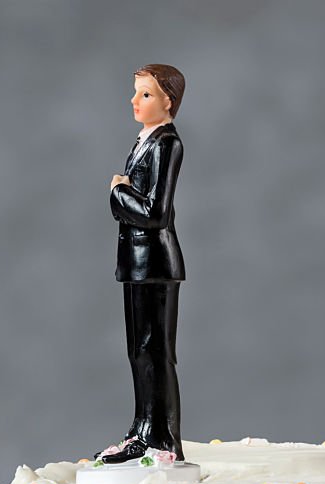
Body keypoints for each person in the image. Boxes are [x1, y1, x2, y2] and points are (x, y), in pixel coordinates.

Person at [98, 64, 186, 463]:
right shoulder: (144, 140)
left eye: (146, 94)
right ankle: (142, 429)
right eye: (136, 93)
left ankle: (163, 440)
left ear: (167, 101)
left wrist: (118, 193)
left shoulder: (167, 143)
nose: (135, 101)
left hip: (155, 263)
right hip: (136, 263)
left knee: (156, 350)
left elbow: (156, 214)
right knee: (139, 351)